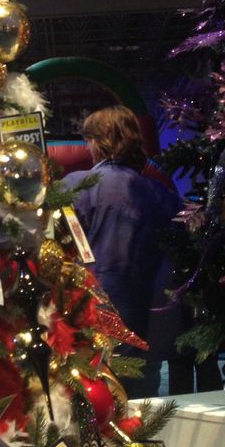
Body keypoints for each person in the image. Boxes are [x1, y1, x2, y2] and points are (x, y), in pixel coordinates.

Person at [64, 106, 180, 396]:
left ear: (96, 141)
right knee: (142, 411)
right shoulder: (161, 194)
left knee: (95, 404)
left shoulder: (74, 186)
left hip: (89, 315)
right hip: (147, 320)